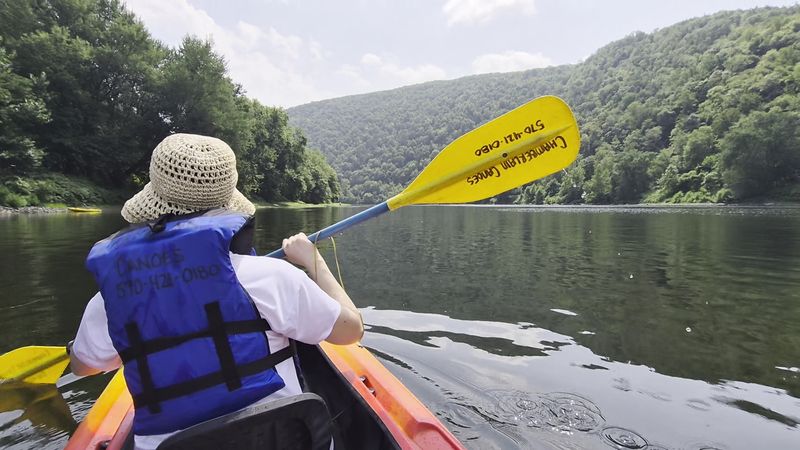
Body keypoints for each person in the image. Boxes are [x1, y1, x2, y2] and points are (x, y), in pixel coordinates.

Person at [68, 133, 363, 450]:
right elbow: (351, 330)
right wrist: (312, 259)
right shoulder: (273, 277)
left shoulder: (112, 301)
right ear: (228, 207)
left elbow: (84, 367)